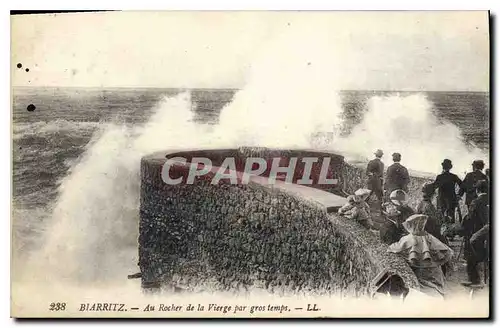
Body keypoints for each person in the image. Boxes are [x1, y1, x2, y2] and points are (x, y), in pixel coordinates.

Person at [388, 214, 454, 297]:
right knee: (435, 288)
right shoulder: (430, 238)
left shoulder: (408, 239)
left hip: (419, 271)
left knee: (422, 290)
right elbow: (447, 252)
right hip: (433, 271)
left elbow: (393, 248)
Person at [462, 180, 489, 286]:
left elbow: (469, 219)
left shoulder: (476, 202)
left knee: (470, 254)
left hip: (478, 233)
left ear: (477, 190)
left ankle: (474, 280)